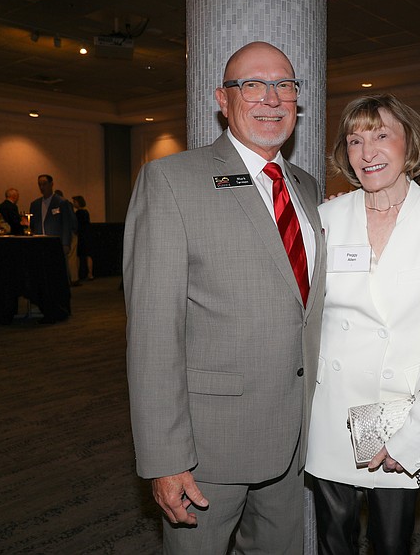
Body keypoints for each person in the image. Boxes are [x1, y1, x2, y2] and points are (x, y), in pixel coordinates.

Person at [123, 41, 326, 554]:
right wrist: (166, 457)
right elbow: (152, 331)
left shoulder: (306, 186)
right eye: (252, 85)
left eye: (284, 85)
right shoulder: (172, 180)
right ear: (222, 99)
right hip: (207, 447)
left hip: (294, 433)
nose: (271, 98)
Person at [306, 94, 420, 555]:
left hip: (401, 412)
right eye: (355, 140)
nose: (367, 151)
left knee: (392, 543)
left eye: (381, 135)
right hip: (333, 410)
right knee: (333, 541)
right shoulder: (326, 217)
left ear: (409, 143)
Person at [28, 175, 74, 255]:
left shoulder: (62, 202)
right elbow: (32, 224)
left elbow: (67, 224)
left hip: (55, 242)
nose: (42, 187)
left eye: (44, 184)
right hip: (39, 242)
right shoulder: (35, 204)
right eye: (40, 184)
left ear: (51, 184)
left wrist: (66, 243)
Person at [72, 196, 93, 280]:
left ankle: (77, 274)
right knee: (88, 255)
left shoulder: (77, 214)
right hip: (87, 235)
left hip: (80, 236)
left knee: (78, 256)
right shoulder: (86, 212)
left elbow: (77, 225)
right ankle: (90, 273)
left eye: (75, 202)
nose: (74, 203)